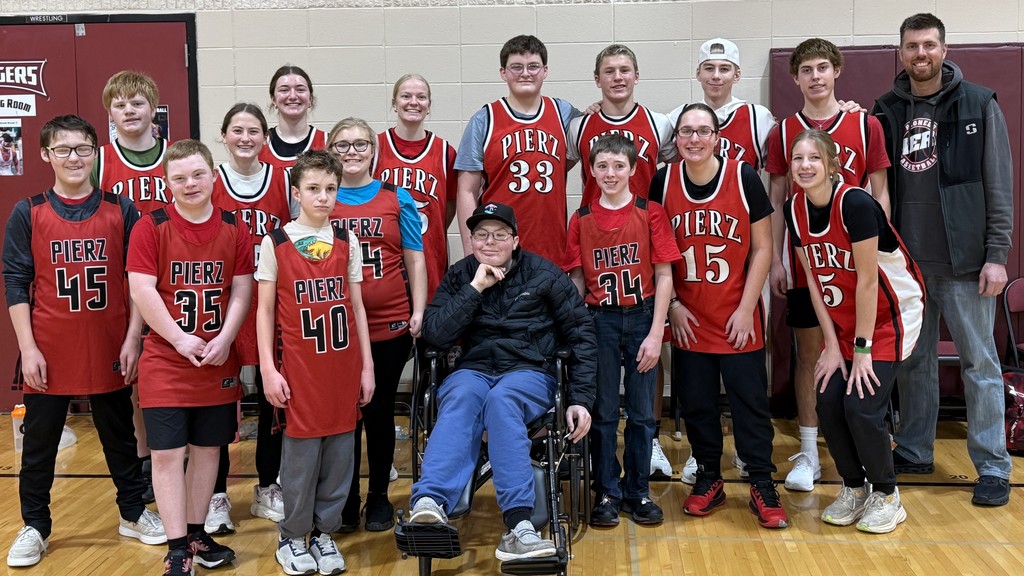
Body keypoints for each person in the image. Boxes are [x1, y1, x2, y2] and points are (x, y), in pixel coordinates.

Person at [3, 115, 165, 568]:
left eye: (83, 149)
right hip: (49, 348)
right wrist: (29, 348)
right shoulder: (28, 211)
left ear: (97, 153)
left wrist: (135, 337)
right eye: (63, 149)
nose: (73, 158)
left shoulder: (121, 209)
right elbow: (16, 282)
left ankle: (132, 513)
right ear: (45, 155)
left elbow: (140, 280)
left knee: (120, 437)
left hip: (111, 345)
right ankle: (34, 525)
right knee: (39, 446)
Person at [873, 13, 1015, 506]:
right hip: (907, 264)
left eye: (929, 45)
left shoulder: (978, 102)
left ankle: (994, 467)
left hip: (966, 262)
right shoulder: (886, 109)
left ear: (944, 48)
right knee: (913, 364)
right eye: (912, 46)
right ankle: (914, 449)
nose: (921, 54)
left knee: (981, 364)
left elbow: (999, 185)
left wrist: (997, 254)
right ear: (902, 51)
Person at [407, 202, 596, 560]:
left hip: (528, 372)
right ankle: (429, 505)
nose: (489, 242)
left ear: (515, 240)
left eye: (499, 235)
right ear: (471, 240)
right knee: (461, 396)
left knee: (502, 400)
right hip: (474, 370)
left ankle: (519, 525)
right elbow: (435, 336)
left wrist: (580, 398)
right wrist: (475, 288)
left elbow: (581, 333)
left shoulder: (545, 274)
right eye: (481, 235)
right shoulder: (461, 276)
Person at [650, 103, 787, 529]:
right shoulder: (663, 180)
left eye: (703, 131)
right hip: (690, 315)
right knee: (698, 404)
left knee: (749, 405)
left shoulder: (743, 176)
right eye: (686, 131)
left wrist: (748, 308)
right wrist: (672, 307)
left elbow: (763, 247)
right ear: (676, 140)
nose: (694, 138)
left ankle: (763, 483)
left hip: (737, 314)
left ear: (717, 138)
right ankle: (709, 477)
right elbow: (655, 252)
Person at [765, 38, 891, 492]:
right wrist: (779, 261)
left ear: (836, 71)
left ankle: (863, 452)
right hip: (807, 264)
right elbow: (777, 200)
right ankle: (810, 450)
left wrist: (881, 257)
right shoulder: (782, 132)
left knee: (862, 353)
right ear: (794, 77)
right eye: (806, 70)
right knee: (809, 357)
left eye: (823, 68)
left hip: (855, 266)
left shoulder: (865, 123)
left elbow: (880, 195)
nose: (815, 76)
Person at [784, 129, 924, 533]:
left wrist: (861, 349)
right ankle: (854, 488)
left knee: (861, 405)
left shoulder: (856, 204)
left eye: (814, 158)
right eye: (797, 159)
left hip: (891, 314)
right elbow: (812, 279)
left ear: (832, 165)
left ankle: (887, 494)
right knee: (828, 402)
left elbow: (866, 280)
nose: (805, 166)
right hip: (847, 321)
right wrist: (831, 343)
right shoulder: (793, 209)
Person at [127, 140, 253, 576]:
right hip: (166, 358)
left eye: (197, 174)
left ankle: (197, 532)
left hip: (217, 357)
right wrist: (180, 339)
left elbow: (242, 289)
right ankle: (177, 546)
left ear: (213, 175)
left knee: (208, 450)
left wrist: (226, 336)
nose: (190, 184)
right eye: (179, 178)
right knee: (166, 454)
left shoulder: (234, 227)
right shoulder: (150, 226)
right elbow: (142, 290)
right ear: (167, 184)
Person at [257, 150, 374, 576]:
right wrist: (268, 370)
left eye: (330, 189)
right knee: (302, 463)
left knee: (341, 459)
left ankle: (324, 534)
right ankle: (292, 536)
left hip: (342, 369)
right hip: (299, 372)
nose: (323, 197)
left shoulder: (348, 240)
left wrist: (367, 368)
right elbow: (265, 312)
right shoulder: (277, 242)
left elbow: (357, 307)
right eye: (313, 189)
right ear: (296, 192)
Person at [570, 46, 677, 479]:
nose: (617, 77)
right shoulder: (579, 123)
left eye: (625, 70)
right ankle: (607, 483)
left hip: (642, 272)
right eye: (608, 71)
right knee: (604, 405)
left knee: (645, 385)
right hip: (598, 290)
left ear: (637, 75)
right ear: (596, 79)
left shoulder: (661, 123)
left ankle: (645, 459)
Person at [563, 134, 677, 527]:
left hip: (643, 317)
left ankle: (638, 492)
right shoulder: (580, 219)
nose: (610, 173)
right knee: (605, 412)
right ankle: (607, 491)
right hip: (600, 322)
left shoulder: (651, 213)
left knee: (644, 414)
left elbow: (665, 276)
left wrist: (656, 331)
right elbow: (577, 281)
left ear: (632, 169)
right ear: (591, 170)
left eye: (618, 166)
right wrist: (575, 330)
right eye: (602, 166)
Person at [327, 117, 427, 532]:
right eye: (342, 145)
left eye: (360, 144)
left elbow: (414, 258)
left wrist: (418, 310)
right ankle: (346, 499)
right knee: (343, 414)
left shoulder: (396, 197)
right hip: (338, 327)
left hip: (389, 324)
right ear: (331, 152)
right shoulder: (321, 198)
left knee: (379, 410)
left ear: (374, 150)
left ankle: (380, 498)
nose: (352, 152)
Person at [206, 103, 293, 534]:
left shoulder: (283, 179)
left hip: (270, 302)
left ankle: (267, 486)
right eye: (237, 130)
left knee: (271, 396)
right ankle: (217, 491)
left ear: (265, 136)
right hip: (221, 302)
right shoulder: (210, 179)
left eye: (254, 131)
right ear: (223, 135)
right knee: (220, 399)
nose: (245, 138)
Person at [455, 34, 581, 264]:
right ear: (503, 72)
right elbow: (466, 191)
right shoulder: (485, 119)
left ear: (545, 70)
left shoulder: (564, 112)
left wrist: (597, 107)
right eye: (516, 67)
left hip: (551, 246)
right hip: (498, 249)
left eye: (533, 66)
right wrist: (471, 253)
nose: (525, 73)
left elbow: (582, 147)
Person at [374, 73, 458, 299]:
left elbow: (449, 207)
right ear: (394, 103)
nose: (413, 102)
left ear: (429, 105)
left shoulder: (445, 152)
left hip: (430, 253)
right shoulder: (374, 148)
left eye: (421, 97)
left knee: (427, 325)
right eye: (406, 96)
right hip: (386, 256)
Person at [668, 38, 776, 172]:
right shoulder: (678, 117)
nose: (716, 75)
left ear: (736, 75)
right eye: (709, 68)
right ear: (698, 74)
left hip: (741, 192)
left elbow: (778, 168)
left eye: (724, 69)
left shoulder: (759, 118)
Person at [95, 71, 171, 214]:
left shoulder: (178, 155)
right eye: (120, 105)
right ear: (110, 115)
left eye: (137, 103)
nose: (129, 110)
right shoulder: (97, 161)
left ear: (153, 109)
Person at [259, 65, 330, 171]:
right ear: (273, 99)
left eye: (300, 90)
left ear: (310, 99)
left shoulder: (328, 143)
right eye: (284, 90)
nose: (292, 96)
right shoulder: (260, 144)